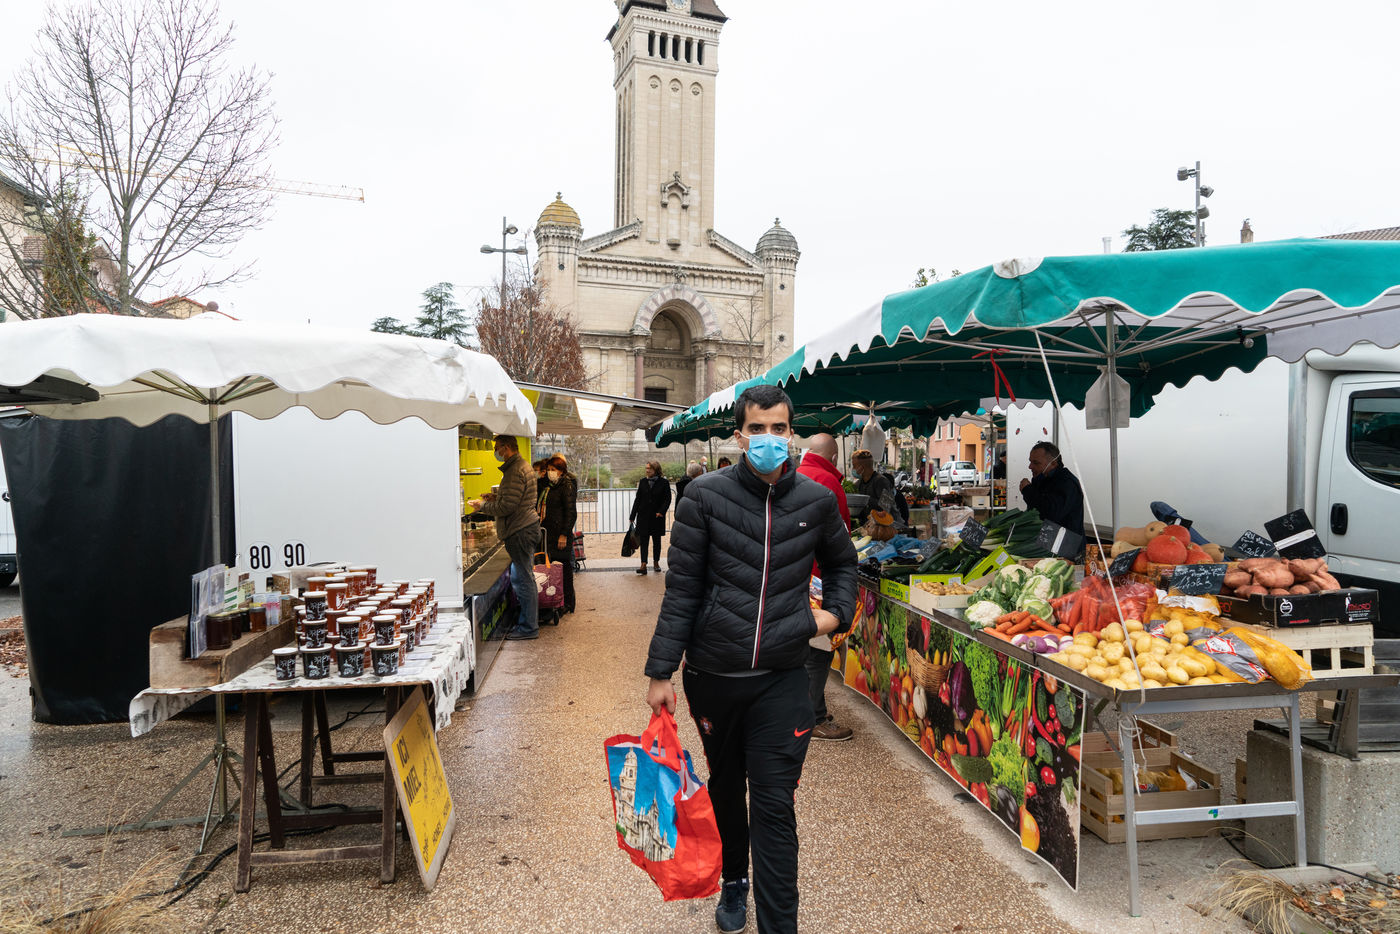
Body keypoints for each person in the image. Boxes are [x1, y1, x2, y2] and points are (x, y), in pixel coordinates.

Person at [645, 385, 858, 934]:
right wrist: (660, 671)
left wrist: (833, 616)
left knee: (773, 804)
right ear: (739, 435)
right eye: (757, 429)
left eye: (778, 428)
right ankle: (735, 879)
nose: (768, 439)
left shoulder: (814, 500)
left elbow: (843, 564)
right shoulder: (703, 497)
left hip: (782, 679)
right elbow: (682, 589)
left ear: (792, 433)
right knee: (725, 786)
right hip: (714, 676)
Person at [795, 433, 854, 743]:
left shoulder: (795, 476)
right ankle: (813, 719)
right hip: (818, 581)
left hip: (796, 578)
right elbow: (838, 542)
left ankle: (808, 709)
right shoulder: (828, 483)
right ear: (833, 458)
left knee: (804, 649)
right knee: (818, 652)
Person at [468, 436, 542, 640]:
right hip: (526, 526)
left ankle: (529, 627)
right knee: (524, 576)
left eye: (497, 448)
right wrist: (496, 497)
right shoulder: (521, 466)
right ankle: (528, 623)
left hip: (519, 529)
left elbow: (507, 507)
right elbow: (516, 499)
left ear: (507, 448)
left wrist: (483, 506)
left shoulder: (514, 470)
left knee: (523, 579)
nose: (496, 452)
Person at [1020, 441, 1084, 538]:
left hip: (1065, 543)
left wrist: (1027, 490)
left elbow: (1050, 513)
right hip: (1046, 540)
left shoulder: (1067, 483)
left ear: (1053, 464)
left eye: (1036, 463)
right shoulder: (1042, 479)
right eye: (1030, 461)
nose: (1030, 466)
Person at [539, 454, 577, 614]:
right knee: (553, 570)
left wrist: (564, 534)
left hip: (560, 535)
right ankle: (556, 601)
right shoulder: (548, 486)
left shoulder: (566, 485)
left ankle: (568, 602)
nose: (550, 472)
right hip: (549, 534)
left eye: (553, 469)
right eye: (548, 469)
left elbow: (571, 513)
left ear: (561, 471)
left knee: (564, 569)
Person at [629, 460, 672, 575]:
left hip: (657, 517)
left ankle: (656, 562)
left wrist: (661, 512)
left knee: (656, 541)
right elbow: (638, 499)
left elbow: (667, 499)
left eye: (649, 469)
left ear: (656, 470)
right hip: (643, 516)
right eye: (646, 468)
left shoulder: (664, 483)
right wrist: (632, 515)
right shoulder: (643, 481)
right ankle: (643, 564)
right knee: (644, 541)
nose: (647, 470)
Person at [850, 448, 895, 526]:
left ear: (862, 467)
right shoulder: (858, 484)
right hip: (864, 526)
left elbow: (887, 507)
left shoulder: (881, 481)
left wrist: (864, 499)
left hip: (880, 527)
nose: (853, 469)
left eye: (854, 466)